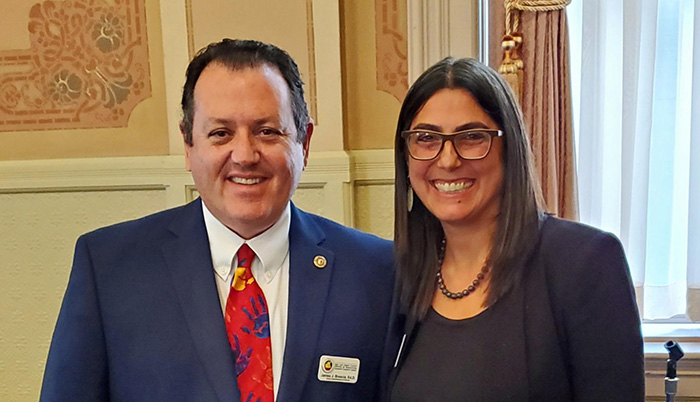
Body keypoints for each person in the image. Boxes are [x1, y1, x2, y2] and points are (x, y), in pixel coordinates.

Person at [40, 39, 394, 402]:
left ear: (304, 143)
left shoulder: (376, 271)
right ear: (188, 145)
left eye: (267, 131)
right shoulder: (109, 269)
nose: (244, 155)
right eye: (220, 133)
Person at [384, 57, 644, 401]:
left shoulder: (584, 263)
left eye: (472, 136)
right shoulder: (396, 274)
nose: (447, 160)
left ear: (510, 149)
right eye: (426, 138)